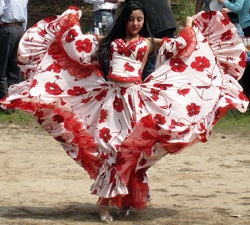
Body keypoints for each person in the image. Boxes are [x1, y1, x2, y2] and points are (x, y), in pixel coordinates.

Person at [0, 1, 249, 223]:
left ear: (144, 22)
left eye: (139, 20)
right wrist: (71, 23)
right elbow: (78, 46)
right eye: (131, 19)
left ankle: (124, 199)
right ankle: (104, 203)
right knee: (109, 147)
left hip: (135, 99)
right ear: (125, 20)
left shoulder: (150, 42)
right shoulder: (108, 41)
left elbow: (182, 45)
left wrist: (189, 23)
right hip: (109, 99)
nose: (135, 24)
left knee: (132, 149)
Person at [124, 0, 177, 80]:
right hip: (166, 19)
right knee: (168, 63)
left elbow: (130, 8)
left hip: (151, 22)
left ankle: (150, 88)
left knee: (150, 63)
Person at [0, 0, 28, 113]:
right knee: (13, 69)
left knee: (1, 68)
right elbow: (24, 13)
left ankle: (3, 103)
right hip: (20, 29)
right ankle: (13, 103)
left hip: (6, 28)